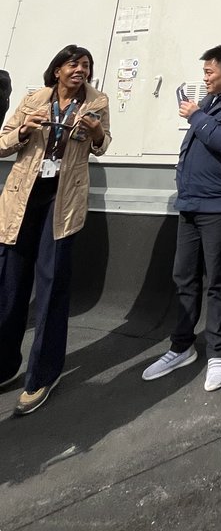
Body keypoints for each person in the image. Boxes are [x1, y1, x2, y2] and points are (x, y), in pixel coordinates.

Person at [0, 45, 110, 414]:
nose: (81, 70)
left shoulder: (98, 101)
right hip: (24, 197)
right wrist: (23, 132)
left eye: (86, 66)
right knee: (10, 283)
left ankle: (44, 374)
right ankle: (4, 364)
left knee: (52, 284)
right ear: (58, 69)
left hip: (62, 201)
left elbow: (103, 145)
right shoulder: (33, 99)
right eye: (74, 64)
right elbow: (1, 144)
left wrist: (96, 133)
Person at [142, 45, 221, 392]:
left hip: (218, 206)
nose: (205, 78)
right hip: (190, 205)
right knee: (184, 277)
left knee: (218, 279)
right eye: (203, 72)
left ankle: (217, 353)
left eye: (209, 72)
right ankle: (182, 346)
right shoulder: (210, 103)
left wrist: (195, 116)